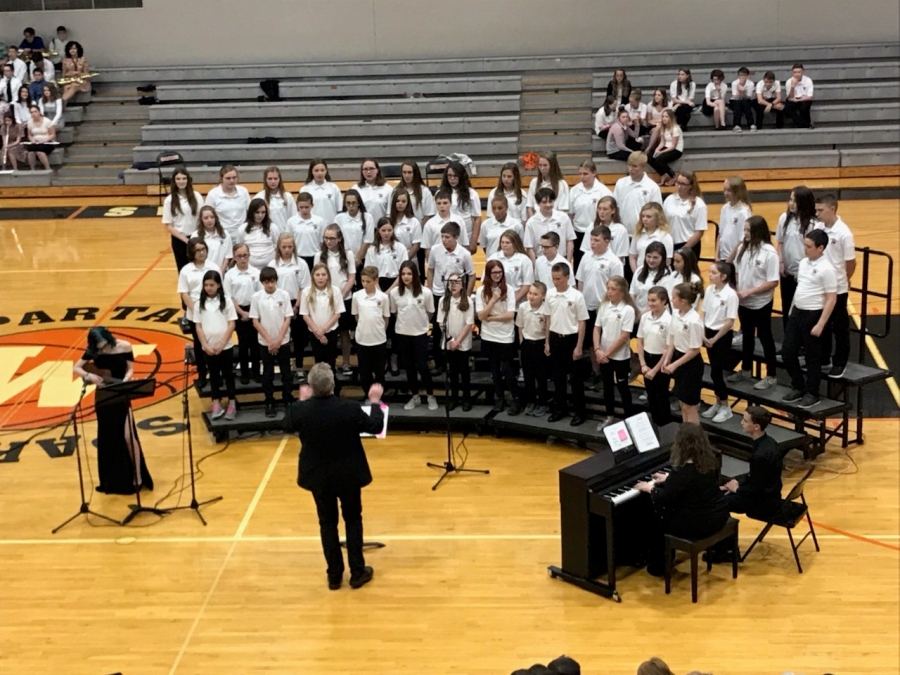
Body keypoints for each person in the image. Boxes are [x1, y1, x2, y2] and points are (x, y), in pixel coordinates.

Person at [282, 363, 385, 591]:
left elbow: (287, 424)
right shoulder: (348, 407)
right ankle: (357, 572)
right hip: (348, 474)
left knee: (327, 523)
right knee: (353, 519)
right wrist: (375, 403)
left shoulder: (302, 410)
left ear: (311, 387)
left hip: (319, 477)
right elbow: (376, 426)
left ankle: (334, 575)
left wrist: (301, 400)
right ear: (333, 385)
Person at [634, 423, 729, 577]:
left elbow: (665, 498)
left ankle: (659, 566)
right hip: (717, 515)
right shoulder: (710, 460)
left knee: (655, 519)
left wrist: (649, 488)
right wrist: (668, 479)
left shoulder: (682, 472)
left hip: (698, 524)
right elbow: (691, 485)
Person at [72, 327, 154, 494]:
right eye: (100, 347)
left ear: (109, 338)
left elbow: (130, 369)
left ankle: (138, 476)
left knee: (128, 436)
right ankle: (113, 480)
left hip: (121, 392)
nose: (103, 349)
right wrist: (89, 376)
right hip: (104, 396)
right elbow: (76, 368)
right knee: (108, 438)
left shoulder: (124, 346)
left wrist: (126, 379)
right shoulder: (94, 350)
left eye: (105, 345)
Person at [782, 229, 837, 408]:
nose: (805, 249)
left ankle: (813, 392)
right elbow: (800, 288)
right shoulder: (804, 262)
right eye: (804, 245)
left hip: (813, 315)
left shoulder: (827, 269)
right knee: (788, 351)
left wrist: (821, 323)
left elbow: (831, 298)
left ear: (820, 248)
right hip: (797, 312)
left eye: (809, 246)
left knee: (813, 357)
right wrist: (792, 311)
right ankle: (798, 385)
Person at [727, 215, 780, 390]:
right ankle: (746, 369)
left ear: (758, 232)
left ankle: (771, 374)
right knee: (747, 336)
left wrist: (750, 291)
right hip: (744, 302)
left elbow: (773, 281)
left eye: (748, 230)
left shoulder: (769, 253)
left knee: (765, 337)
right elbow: (734, 268)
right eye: (744, 229)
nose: (745, 233)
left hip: (760, 303)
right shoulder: (743, 247)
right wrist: (735, 288)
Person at [815, 194, 856, 378]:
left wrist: (845, 278)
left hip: (837, 288)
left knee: (839, 326)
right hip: (820, 286)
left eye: (821, 210)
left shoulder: (843, 233)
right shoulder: (818, 227)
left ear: (832, 209)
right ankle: (823, 358)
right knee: (821, 323)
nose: (817, 214)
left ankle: (840, 362)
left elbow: (850, 262)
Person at [577, 225, 624, 382]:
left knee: (606, 341)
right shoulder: (586, 257)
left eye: (596, 240)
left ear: (607, 241)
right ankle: (596, 373)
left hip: (604, 308)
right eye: (591, 239)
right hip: (587, 306)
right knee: (592, 343)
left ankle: (610, 375)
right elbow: (581, 281)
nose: (592, 243)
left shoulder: (614, 262)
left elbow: (618, 287)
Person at [427, 221, 475, 373]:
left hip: (456, 296)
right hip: (439, 293)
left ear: (456, 237)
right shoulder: (435, 250)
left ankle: (459, 361)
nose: (444, 240)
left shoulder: (464, 254)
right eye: (442, 236)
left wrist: (465, 295)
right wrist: (429, 289)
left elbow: (472, 275)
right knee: (438, 329)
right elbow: (430, 269)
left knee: (457, 327)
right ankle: (440, 362)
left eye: (447, 237)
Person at [544, 262, 589, 426]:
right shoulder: (550, 294)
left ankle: (579, 412)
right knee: (558, 378)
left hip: (571, 339)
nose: (556, 282)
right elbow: (548, 318)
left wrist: (579, 346)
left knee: (575, 379)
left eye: (559, 279)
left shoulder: (577, 296)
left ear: (567, 277)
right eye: (553, 279)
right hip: (556, 338)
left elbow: (582, 322)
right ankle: (560, 409)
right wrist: (547, 341)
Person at [391, 261, 437, 411]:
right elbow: (395, 312)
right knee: (409, 367)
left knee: (423, 366)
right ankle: (415, 396)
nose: (406, 277)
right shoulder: (395, 293)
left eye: (409, 274)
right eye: (403, 274)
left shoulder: (426, 292)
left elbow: (430, 312)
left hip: (420, 335)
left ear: (415, 275)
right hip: (403, 334)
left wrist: (421, 324)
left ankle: (430, 395)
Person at [721, 406, 784, 518]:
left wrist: (737, 489)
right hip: (770, 495)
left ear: (756, 426)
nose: (741, 422)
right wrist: (733, 483)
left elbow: (757, 488)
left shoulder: (760, 454)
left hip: (762, 504)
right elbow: (755, 477)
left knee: (717, 503)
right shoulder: (769, 442)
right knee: (723, 485)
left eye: (745, 420)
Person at [477, 260, 522, 414]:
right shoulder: (481, 291)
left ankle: (516, 399)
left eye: (500, 272)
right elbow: (481, 315)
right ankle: (500, 398)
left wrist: (491, 317)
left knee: (507, 369)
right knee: (494, 371)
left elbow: (510, 315)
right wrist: (493, 301)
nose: (497, 275)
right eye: (494, 273)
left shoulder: (509, 289)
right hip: (489, 335)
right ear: (488, 274)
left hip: (505, 336)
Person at [593, 276, 637, 430]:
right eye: (608, 288)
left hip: (620, 357)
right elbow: (597, 329)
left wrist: (607, 353)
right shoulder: (604, 306)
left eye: (613, 289)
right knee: (607, 386)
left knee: (622, 386)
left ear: (622, 291)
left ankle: (629, 418)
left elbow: (624, 336)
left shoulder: (627, 310)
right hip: (604, 355)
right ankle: (609, 416)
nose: (610, 292)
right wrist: (598, 349)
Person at [250, 266, 294, 417]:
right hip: (265, 343)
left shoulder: (284, 295)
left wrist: (279, 339)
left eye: (273, 281)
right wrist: (270, 340)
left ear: (276, 281)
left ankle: (287, 398)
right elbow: (255, 321)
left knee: (286, 372)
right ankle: (269, 400)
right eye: (267, 282)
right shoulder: (256, 297)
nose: (270, 285)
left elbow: (288, 317)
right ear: (262, 282)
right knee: (267, 373)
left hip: (283, 341)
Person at [194, 270, 238, 421]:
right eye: (206, 285)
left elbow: (231, 324)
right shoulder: (198, 304)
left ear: (219, 285)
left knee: (228, 375)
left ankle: (232, 403)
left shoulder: (226, 301)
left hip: (225, 347)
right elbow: (198, 327)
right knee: (213, 376)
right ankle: (216, 404)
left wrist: (222, 344)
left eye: (212, 285)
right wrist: (205, 345)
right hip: (209, 348)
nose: (209, 288)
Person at [315, 223, 357, 376]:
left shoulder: (348, 254)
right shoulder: (319, 255)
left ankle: (346, 362)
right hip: (325, 299)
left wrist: (342, 294)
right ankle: (327, 364)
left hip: (344, 297)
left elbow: (351, 277)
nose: (328, 241)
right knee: (329, 331)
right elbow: (316, 276)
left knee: (345, 331)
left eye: (332, 238)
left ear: (339, 239)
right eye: (325, 238)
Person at [177, 238, 219, 387]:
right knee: (199, 345)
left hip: (213, 311)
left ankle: (216, 373)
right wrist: (196, 311)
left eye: (203, 249)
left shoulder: (213, 267)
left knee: (214, 342)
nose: (201, 253)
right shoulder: (186, 270)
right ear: (191, 252)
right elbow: (184, 293)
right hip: (194, 313)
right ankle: (202, 373)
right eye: (198, 250)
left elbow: (219, 289)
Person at [700, 262, 739, 424]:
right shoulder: (709, 290)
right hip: (708, 333)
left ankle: (725, 406)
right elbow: (703, 313)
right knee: (713, 372)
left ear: (723, 276)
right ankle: (718, 402)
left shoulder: (731, 295)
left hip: (721, 336)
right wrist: (702, 334)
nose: (710, 275)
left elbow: (730, 321)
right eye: (709, 272)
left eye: (714, 273)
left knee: (717, 371)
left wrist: (715, 339)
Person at [269, 232, 312, 375]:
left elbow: (304, 287)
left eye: (290, 246)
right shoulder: (273, 264)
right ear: (278, 247)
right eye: (284, 246)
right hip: (278, 303)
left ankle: (299, 367)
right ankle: (284, 368)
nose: (287, 249)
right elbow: (271, 287)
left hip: (296, 303)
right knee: (281, 337)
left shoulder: (301, 264)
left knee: (299, 339)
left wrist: (296, 307)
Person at [775, 186, 818, 329]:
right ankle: (789, 343)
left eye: (795, 200)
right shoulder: (784, 218)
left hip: (804, 276)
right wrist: (780, 261)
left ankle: (803, 343)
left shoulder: (813, 224)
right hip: (787, 273)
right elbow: (780, 242)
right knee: (786, 307)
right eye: (790, 199)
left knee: (802, 310)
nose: (791, 203)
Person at [663, 283, 704, 424]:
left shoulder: (694, 321)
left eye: (674, 297)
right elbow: (672, 338)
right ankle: (686, 434)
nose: (671, 299)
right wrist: (667, 359)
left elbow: (694, 350)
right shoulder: (676, 314)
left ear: (683, 301)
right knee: (682, 404)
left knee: (689, 406)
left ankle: (694, 440)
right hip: (678, 359)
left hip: (690, 364)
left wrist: (674, 365)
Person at [223, 243, 261, 384]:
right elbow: (229, 296)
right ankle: (244, 372)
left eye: (245, 255)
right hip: (237, 311)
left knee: (255, 344)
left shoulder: (256, 273)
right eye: (239, 256)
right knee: (243, 344)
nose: (243, 259)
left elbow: (259, 294)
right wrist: (241, 312)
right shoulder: (229, 275)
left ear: (249, 255)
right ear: (234, 257)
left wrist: (251, 313)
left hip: (254, 310)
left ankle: (257, 372)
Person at [437, 272, 475, 411]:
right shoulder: (443, 301)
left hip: (463, 343)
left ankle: (466, 399)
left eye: (457, 282)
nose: (453, 285)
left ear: (462, 285)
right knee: (452, 373)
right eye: (450, 282)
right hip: (449, 343)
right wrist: (450, 339)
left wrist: (458, 340)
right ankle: (454, 398)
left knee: (464, 372)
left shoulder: (468, 301)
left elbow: (469, 323)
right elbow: (441, 322)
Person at [352, 266, 391, 399]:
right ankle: (367, 394)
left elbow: (386, 318)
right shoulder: (357, 296)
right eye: (363, 281)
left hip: (379, 340)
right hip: (362, 340)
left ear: (376, 281)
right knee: (364, 372)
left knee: (379, 372)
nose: (365, 284)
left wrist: (379, 330)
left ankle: (380, 396)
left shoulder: (383, 297)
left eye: (368, 281)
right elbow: (356, 316)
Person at [300, 263, 345, 377]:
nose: (320, 277)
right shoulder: (306, 292)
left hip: (331, 333)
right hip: (314, 334)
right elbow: (305, 315)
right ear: (313, 276)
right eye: (317, 274)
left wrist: (324, 329)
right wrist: (318, 333)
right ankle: (319, 390)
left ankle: (333, 390)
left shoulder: (335, 291)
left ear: (328, 276)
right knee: (318, 363)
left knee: (330, 363)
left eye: (323, 274)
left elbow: (337, 313)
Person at [637, 286, 672, 426]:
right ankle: (655, 423)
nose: (650, 303)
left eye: (654, 300)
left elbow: (668, 348)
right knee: (651, 395)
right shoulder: (645, 317)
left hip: (661, 362)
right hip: (647, 358)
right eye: (649, 300)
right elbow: (640, 340)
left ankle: (665, 425)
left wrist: (655, 370)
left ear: (664, 301)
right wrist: (643, 364)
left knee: (661, 396)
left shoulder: (669, 321)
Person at [568, 159, 612, 271]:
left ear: (594, 173)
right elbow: (571, 214)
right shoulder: (575, 190)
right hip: (578, 232)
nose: (582, 177)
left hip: (596, 233)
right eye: (580, 174)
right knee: (579, 265)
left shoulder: (603, 191)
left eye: (586, 174)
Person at [517, 281, 550, 417]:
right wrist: (522, 341)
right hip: (527, 344)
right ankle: (530, 401)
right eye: (530, 293)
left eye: (535, 294)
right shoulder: (523, 307)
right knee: (528, 375)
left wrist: (547, 343)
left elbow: (548, 327)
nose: (531, 296)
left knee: (541, 376)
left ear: (543, 296)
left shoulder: (546, 309)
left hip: (540, 344)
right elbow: (520, 325)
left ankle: (542, 402)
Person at [162, 168, 203, 271]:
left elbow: (201, 218)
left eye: (184, 178)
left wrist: (196, 237)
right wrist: (185, 240)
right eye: (178, 179)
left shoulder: (197, 196)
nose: (181, 181)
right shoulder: (169, 200)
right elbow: (168, 225)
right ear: (174, 181)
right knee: (183, 269)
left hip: (196, 238)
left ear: (188, 180)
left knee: (199, 268)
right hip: (179, 240)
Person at [613, 151, 662, 236]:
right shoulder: (620, 183)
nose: (631, 169)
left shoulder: (652, 187)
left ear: (643, 166)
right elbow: (615, 207)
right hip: (623, 234)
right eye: (629, 165)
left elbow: (657, 213)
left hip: (643, 234)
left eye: (635, 166)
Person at [524, 187, 576, 263]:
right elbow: (529, 247)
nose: (548, 205)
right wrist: (535, 266)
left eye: (550, 201)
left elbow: (570, 241)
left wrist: (568, 262)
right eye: (544, 202)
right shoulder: (531, 223)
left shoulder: (563, 217)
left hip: (561, 259)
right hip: (541, 260)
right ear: (538, 203)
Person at [440, 160, 481, 253]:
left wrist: (474, 242)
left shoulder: (472, 194)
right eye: (449, 176)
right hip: (446, 238)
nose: (452, 179)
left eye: (455, 176)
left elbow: (477, 218)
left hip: (465, 237)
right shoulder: (441, 193)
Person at [663, 170, 707, 257]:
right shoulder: (669, 199)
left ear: (691, 186)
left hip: (689, 246)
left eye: (683, 184)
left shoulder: (699, 204)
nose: (679, 187)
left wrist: (683, 250)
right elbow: (662, 222)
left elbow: (699, 232)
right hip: (670, 244)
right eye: (677, 183)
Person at [487, 229, 534, 304]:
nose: (504, 245)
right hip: (496, 302)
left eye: (507, 242)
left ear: (515, 243)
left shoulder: (524, 259)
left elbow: (527, 284)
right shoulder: (493, 258)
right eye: (502, 242)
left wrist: (513, 301)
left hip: (517, 302)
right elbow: (486, 280)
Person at [204, 165, 250, 239]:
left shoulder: (243, 191)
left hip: (242, 232)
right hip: (221, 233)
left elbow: (249, 211)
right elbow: (206, 214)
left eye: (234, 178)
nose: (231, 180)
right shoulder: (213, 194)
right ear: (221, 178)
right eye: (228, 178)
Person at [420, 190, 469, 259]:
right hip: (439, 262)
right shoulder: (429, 224)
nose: (442, 206)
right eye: (439, 203)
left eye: (445, 203)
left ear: (450, 203)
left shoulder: (459, 221)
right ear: (435, 204)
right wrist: (431, 266)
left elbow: (465, 244)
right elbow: (427, 248)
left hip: (457, 262)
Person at [629, 202, 674, 272]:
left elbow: (667, 261)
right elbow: (632, 257)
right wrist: (636, 273)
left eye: (648, 217)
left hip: (658, 274)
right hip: (640, 274)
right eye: (643, 216)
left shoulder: (665, 236)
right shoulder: (638, 234)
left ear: (658, 218)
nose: (645, 219)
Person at [236, 198, 279, 270]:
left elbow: (278, 247)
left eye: (263, 212)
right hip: (250, 269)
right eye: (257, 212)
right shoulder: (242, 229)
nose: (260, 215)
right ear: (251, 212)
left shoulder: (273, 228)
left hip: (270, 269)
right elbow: (238, 250)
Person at [335, 188, 375, 266]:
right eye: (348, 203)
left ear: (358, 203)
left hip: (363, 260)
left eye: (354, 203)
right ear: (344, 204)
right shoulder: (338, 218)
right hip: (344, 260)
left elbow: (367, 242)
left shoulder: (368, 217)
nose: (351, 206)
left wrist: (357, 260)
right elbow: (337, 240)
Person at [287, 191, 326, 270]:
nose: (304, 210)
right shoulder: (291, 221)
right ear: (297, 206)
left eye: (306, 207)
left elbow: (322, 241)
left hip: (315, 257)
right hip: (298, 257)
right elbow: (288, 240)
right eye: (301, 207)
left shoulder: (319, 221)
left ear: (312, 206)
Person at [630, 241, 671, 315]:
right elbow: (632, 293)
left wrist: (641, 315)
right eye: (648, 256)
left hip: (654, 315)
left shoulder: (666, 275)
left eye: (655, 258)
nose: (651, 260)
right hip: (637, 313)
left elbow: (661, 301)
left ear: (663, 258)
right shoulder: (639, 270)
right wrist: (635, 312)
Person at [717, 176, 752, 261]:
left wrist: (730, 259)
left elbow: (742, 240)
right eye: (724, 190)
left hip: (734, 258)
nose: (725, 193)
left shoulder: (743, 212)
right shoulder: (724, 208)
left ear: (738, 192)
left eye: (729, 190)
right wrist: (717, 255)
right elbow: (720, 234)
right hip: (723, 256)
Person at [298, 158, 342, 225]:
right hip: (311, 227)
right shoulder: (305, 189)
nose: (320, 173)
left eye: (322, 170)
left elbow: (339, 210)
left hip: (330, 228)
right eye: (316, 170)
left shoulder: (333, 188)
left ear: (326, 171)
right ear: (311, 172)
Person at [389, 186, 423, 270]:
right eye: (397, 201)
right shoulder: (388, 221)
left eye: (403, 201)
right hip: (391, 260)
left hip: (409, 260)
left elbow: (416, 245)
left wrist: (404, 259)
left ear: (408, 203)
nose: (400, 203)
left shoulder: (414, 221)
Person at [480, 193, 524, 258]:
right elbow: (485, 247)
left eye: (500, 208)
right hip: (493, 262)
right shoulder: (485, 225)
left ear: (506, 207)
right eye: (494, 208)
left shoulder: (516, 225)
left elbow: (520, 246)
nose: (497, 211)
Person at [526, 151, 570, 216]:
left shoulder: (561, 184)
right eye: (540, 165)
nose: (542, 168)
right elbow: (530, 206)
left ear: (552, 166)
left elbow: (563, 210)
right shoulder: (534, 182)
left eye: (545, 165)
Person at [192, 205, 233, 273]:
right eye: (206, 218)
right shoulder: (195, 235)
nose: (209, 220)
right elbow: (194, 258)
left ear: (216, 218)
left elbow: (227, 257)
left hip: (221, 272)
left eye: (212, 217)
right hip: (202, 273)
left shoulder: (225, 234)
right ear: (201, 220)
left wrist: (220, 274)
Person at [254, 166, 297, 232]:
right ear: (265, 179)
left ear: (279, 179)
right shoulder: (259, 197)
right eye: (270, 179)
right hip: (266, 235)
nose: (273, 181)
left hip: (284, 236)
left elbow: (293, 218)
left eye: (275, 178)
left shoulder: (288, 197)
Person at [397, 160, 436, 225]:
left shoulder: (424, 191)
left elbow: (429, 215)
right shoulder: (396, 191)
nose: (407, 176)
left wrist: (418, 230)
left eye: (409, 172)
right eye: (404, 172)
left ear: (415, 173)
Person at [356, 157, 393, 222]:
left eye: (371, 169)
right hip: (362, 227)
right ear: (362, 171)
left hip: (381, 229)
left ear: (377, 170)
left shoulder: (388, 189)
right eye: (365, 169)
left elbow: (389, 213)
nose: (368, 172)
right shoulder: (356, 189)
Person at [25, 103, 55, 171]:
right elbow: (29, 135)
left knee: (39, 152)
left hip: (47, 141)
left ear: (39, 112)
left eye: (35, 111)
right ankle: (32, 169)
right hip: (35, 142)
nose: (33, 113)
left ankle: (48, 168)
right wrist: (32, 140)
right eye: (31, 112)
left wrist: (45, 140)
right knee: (30, 152)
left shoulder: (47, 121)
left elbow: (53, 134)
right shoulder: (29, 122)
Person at [785, 63, 814, 129]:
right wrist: (792, 87)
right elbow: (789, 97)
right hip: (793, 99)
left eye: (799, 72)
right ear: (792, 73)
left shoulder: (808, 80)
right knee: (787, 109)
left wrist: (799, 100)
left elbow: (809, 96)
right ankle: (807, 124)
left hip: (804, 99)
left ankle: (800, 124)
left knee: (804, 107)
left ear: (803, 72)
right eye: (795, 72)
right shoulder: (789, 81)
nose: (797, 74)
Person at [730, 67, 756, 131]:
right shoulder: (734, 83)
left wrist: (743, 91)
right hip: (735, 100)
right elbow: (736, 97)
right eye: (740, 75)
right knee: (738, 103)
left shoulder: (750, 84)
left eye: (744, 75)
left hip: (746, 100)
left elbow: (748, 97)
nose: (742, 77)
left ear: (747, 75)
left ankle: (751, 124)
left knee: (745, 103)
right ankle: (736, 125)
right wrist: (739, 90)